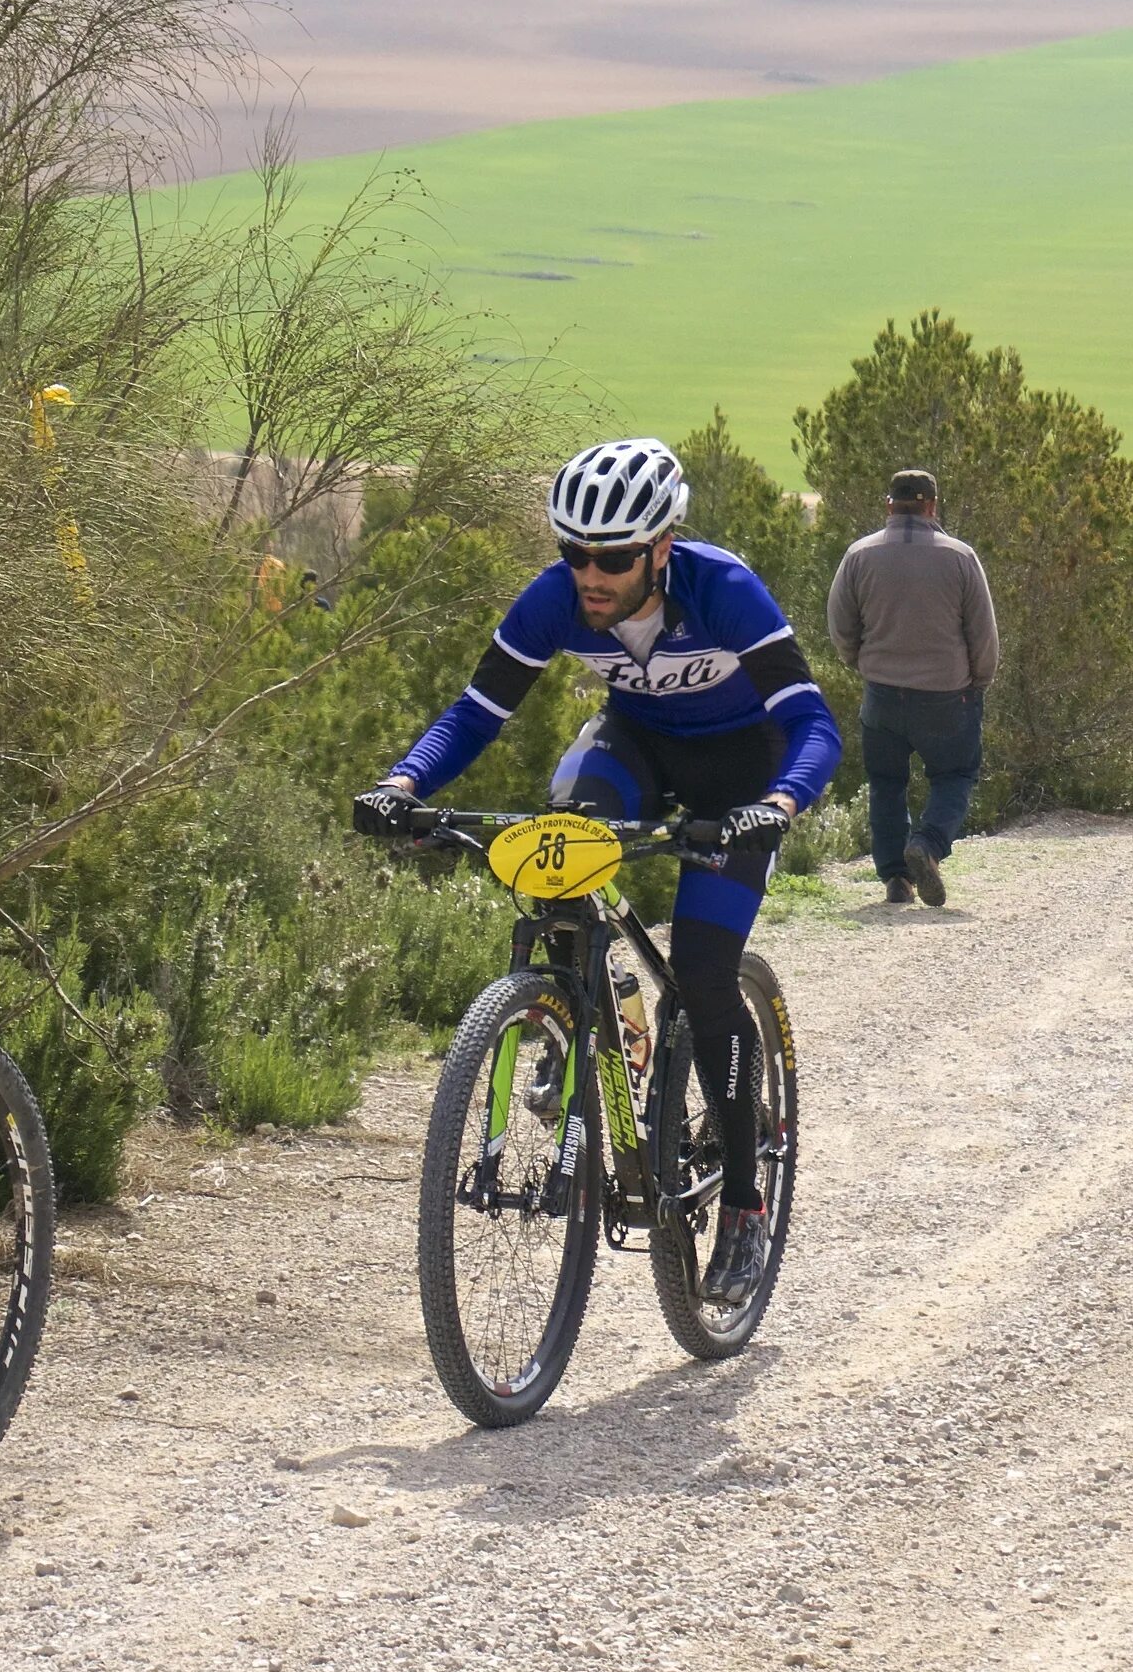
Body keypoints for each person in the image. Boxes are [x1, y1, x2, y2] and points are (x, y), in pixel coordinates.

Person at [353, 438, 842, 1307]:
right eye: (572, 552)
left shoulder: (721, 590)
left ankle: (741, 1200)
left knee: (700, 972)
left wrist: (781, 804)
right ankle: (582, 1005)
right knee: (561, 832)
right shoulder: (557, 603)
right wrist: (402, 782)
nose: (589, 575)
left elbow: (813, 723)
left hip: (743, 773)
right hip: (639, 748)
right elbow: (477, 712)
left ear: (660, 549)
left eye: (612, 557)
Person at [826, 467, 998, 907]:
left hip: (882, 694)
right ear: (931, 506)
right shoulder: (960, 557)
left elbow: (841, 626)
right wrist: (977, 683)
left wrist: (861, 663)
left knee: (886, 783)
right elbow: (982, 634)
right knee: (955, 775)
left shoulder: (859, 555)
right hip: (946, 696)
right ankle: (928, 844)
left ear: (889, 505)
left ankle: (896, 881)